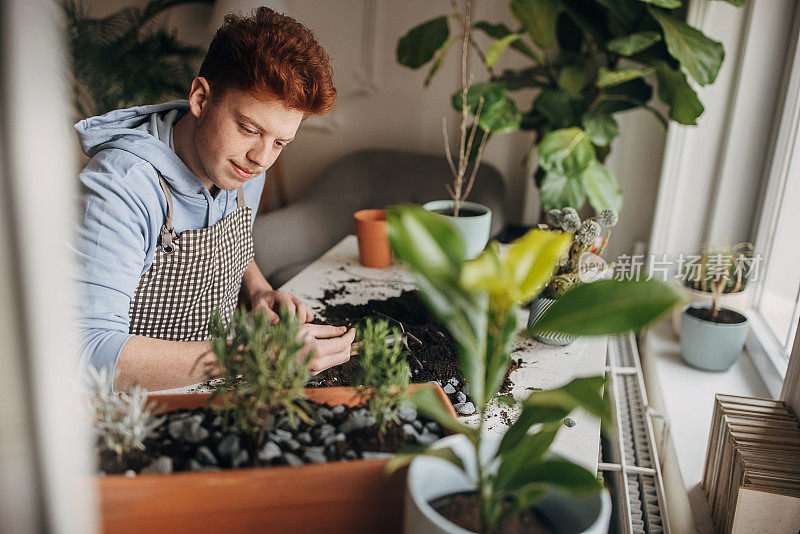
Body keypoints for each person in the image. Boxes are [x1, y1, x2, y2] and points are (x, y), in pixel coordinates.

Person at [72, 7, 354, 392]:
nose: (262, 159)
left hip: (215, 388)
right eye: (249, 128)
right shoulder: (120, 188)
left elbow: (227, 245)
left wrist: (257, 290)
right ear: (201, 98)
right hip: (130, 411)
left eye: (280, 143)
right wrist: (254, 354)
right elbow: (90, 353)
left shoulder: (242, 164)